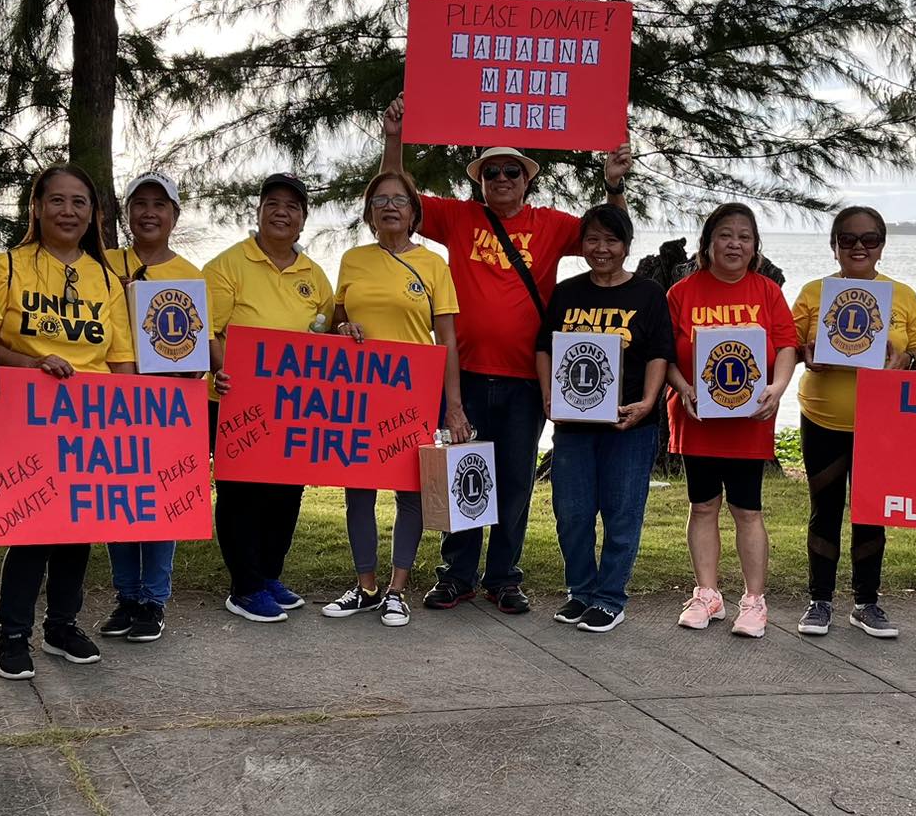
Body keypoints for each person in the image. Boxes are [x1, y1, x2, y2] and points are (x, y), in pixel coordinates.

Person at [379, 94, 633, 615]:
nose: (502, 179)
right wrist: (393, 140)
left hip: (523, 380)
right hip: (464, 377)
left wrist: (613, 183)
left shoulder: (554, 225)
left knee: (515, 482)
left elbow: (610, 234)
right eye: (492, 171)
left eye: (511, 172)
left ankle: (504, 576)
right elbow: (398, 196)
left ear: (526, 179)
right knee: (465, 474)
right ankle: (456, 574)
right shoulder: (458, 218)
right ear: (480, 179)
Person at [0, 165, 135, 680]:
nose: (68, 212)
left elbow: (121, 361)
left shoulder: (105, 277)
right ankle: (12, 634)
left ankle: (62, 626)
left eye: (80, 203)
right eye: (57, 201)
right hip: (27, 417)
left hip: (91, 421)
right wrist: (32, 364)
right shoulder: (6, 266)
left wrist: (134, 418)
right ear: (37, 207)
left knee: (78, 530)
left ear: (93, 213)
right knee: (30, 530)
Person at [318, 172, 471, 626]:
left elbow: (447, 340)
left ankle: (396, 590)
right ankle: (364, 587)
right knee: (358, 492)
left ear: (413, 213)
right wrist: (343, 329)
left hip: (413, 395)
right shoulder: (352, 260)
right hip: (360, 395)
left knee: (409, 494)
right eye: (380, 200)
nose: (390, 206)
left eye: (400, 200)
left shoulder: (433, 264)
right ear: (369, 214)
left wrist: (454, 406)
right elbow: (335, 324)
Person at [789, 206, 916, 639]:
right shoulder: (815, 292)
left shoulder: (901, 295)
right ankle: (820, 600)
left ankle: (867, 602)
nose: (858, 247)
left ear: (882, 247)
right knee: (825, 510)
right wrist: (804, 352)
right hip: (822, 419)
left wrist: (904, 360)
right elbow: (787, 342)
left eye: (869, 239)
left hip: (880, 424)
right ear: (833, 247)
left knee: (871, 514)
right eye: (848, 239)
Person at [536, 204, 674, 633]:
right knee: (572, 512)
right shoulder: (567, 292)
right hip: (573, 425)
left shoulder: (648, 294)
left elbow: (659, 353)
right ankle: (580, 592)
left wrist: (649, 401)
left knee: (622, 512)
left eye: (611, 240)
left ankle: (610, 597)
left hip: (628, 423)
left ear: (627, 246)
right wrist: (547, 394)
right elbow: (545, 347)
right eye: (592, 240)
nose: (601, 249)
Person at [665, 203, 800, 637]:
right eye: (726, 234)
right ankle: (707, 593)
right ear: (707, 243)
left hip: (749, 420)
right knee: (702, 506)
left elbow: (785, 347)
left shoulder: (767, 291)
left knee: (747, 509)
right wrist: (683, 387)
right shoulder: (682, 293)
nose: (735, 243)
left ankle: (754, 601)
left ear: (755, 247)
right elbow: (664, 355)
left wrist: (777, 389)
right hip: (697, 418)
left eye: (745, 236)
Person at [207, 173, 334, 622]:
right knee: (241, 494)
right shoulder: (226, 265)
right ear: (258, 212)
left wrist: (346, 332)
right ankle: (244, 587)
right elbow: (208, 330)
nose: (282, 212)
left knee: (286, 492)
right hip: (234, 400)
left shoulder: (315, 276)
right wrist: (224, 367)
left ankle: (268, 575)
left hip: (292, 407)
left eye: (293, 207)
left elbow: (324, 337)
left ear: (303, 220)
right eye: (273, 204)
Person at [99, 172, 200, 643]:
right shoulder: (102, 263)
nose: (149, 213)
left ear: (174, 217)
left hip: (166, 407)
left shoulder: (190, 276)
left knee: (161, 505)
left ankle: (154, 600)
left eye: (160, 205)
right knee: (119, 504)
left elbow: (196, 354)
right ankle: (126, 597)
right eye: (140, 203)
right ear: (127, 213)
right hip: (110, 403)